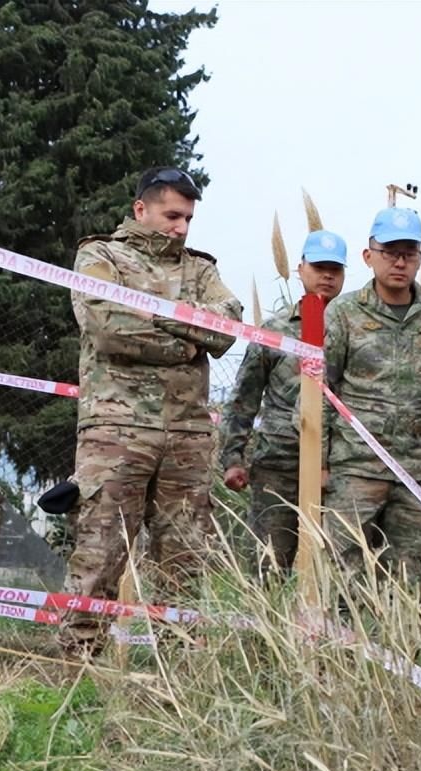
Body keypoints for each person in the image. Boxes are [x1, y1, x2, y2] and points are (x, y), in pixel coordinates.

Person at [61, 166, 242, 658]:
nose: (181, 227)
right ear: (141, 209)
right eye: (172, 215)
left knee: (185, 552)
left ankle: (179, 658)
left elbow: (226, 328)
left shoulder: (200, 269)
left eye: (187, 218)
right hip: (116, 430)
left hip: (187, 433)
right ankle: (81, 656)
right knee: (101, 546)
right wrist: (186, 334)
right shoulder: (100, 255)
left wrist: (152, 312)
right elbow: (107, 327)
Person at [322, 207, 421, 581]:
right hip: (355, 466)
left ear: (419, 257)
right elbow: (321, 388)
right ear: (369, 256)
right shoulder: (344, 313)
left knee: (409, 571)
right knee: (342, 566)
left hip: (415, 468)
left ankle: (402, 640)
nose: (400, 262)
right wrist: (319, 461)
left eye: (409, 253)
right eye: (390, 252)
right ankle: (343, 639)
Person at [221, 230, 347, 573]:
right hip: (278, 463)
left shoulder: (355, 329)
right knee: (270, 561)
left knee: (335, 564)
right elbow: (243, 399)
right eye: (319, 267)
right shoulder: (273, 330)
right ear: (300, 269)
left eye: (335, 269)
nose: (327, 276)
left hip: (342, 467)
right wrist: (232, 457)